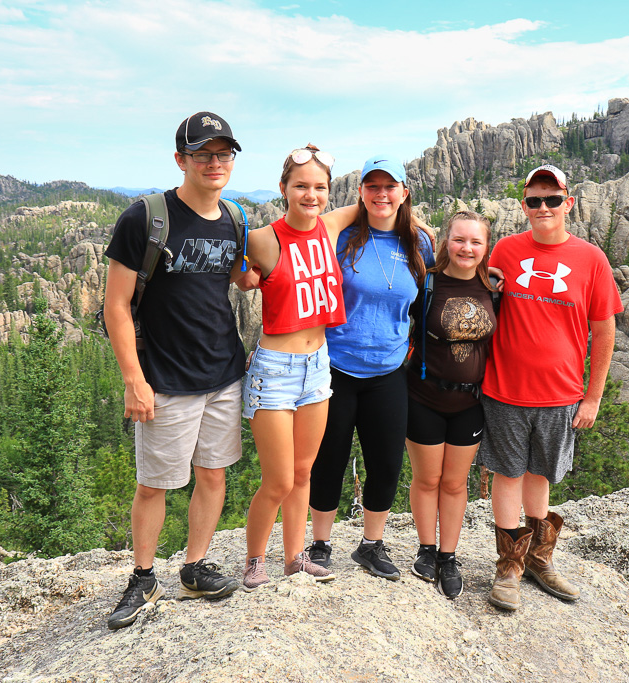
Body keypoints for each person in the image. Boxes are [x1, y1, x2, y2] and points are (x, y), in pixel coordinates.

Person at [104, 112, 248, 629]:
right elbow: (116, 306)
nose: (214, 163)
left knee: (213, 474)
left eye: (223, 153)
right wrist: (134, 379)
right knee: (155, 484)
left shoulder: (235, 218)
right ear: (180, 159)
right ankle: (143, 577)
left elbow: (234, 276)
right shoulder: (146, 218)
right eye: (203, 154)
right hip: (165, 379)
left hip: (224, 373)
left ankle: (194, 566)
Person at [479, 164, 623, 611]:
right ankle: (508, 566)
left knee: (540, 475)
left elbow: (604, 330)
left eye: (553, 199)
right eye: (535, 200)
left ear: (569, 203)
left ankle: (540, 559)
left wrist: (593, 395)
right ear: (524, 206)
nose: (544, 207)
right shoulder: (504, 250)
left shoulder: (591, 259)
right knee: (507, 474)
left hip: (560, 394)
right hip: (504, 389)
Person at [307, 156, 435, 580]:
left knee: (386, 464)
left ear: (405, 192)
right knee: (329, 459)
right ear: (360, 192)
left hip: (389, 372)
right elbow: (316, 224)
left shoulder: (419, 245)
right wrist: (367, 210)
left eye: (390, 187)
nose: (382, 194)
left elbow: (428, 301)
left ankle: (371, 545)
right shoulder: (341, 237)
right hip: (337, 368)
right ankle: (320, 544)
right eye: (372, 187)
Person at [237, 145, 359, 590]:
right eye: (301, 186)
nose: (311, 195)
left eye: (320, 187)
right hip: (275, 370)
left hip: (318, 366)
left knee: (304, 472)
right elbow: (230, 265)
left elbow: (375, 204)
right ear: (284, 189)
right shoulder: (263, 239)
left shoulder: (328, 227)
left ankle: (294, 557)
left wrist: (419, 222)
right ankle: (254, 559)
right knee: (277, 479)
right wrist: (243, 273)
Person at [406, 211, 496, 599]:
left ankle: (448, 556)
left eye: (476, 242)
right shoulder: (425, 282)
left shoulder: (493, 287)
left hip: (470, 401)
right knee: (428, 480)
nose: (467, 248)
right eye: (460, 240)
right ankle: (426, 549)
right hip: (423, 396)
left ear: (485, 247)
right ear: (447, 242)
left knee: (455, 483)